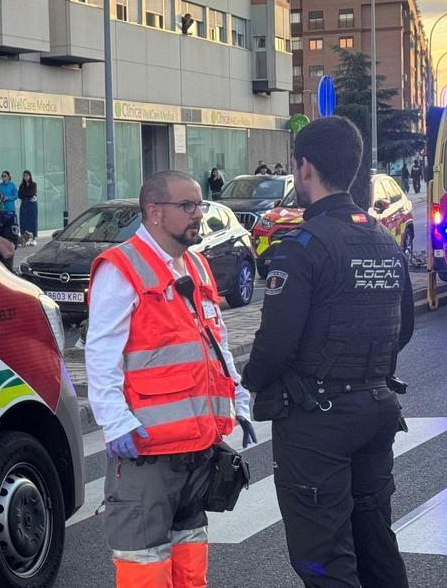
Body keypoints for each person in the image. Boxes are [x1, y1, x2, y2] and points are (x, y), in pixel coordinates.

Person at [242, 116, 413, 588]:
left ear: (305, 168)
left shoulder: (301, 247)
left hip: (317, 423)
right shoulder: (383, 240)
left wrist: (248, 381)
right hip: (377, 405)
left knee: (324, 560)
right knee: (376, 542)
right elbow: (404, 329)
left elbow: (275, 345)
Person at [87, 170, 255, 588]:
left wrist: (237, 396)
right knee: (144, 561)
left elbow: (216, 340)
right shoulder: (122, 267)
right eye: (188, 206)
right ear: (155, 212)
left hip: (197, 446)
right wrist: (115, 420)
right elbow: (101, 353)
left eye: (199, 204)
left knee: (189, 552)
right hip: (147, 448)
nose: (198, 214)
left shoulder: (196, 263)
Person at [19, 170, 39, 246]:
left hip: (32, 206)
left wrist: (25, 195)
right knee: (24, 221)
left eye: (27, 175)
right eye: (24, 176)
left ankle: (33, 238)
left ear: (30, 176)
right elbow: (20, 195)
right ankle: (25, 238)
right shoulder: (22, 185)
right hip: (24, 205)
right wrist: (26, 195)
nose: (25, 177)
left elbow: (32, 193)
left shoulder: (34, 184)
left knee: (33, 221)